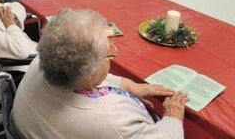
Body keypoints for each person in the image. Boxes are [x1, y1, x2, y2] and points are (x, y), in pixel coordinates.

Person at [10, 8, 188, 139]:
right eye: (108, 53)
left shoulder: (40, 62)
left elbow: (84, 78)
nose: (112, 53)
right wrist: (173, 118)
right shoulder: (112, 121)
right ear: (87, 75)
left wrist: (130, 86)